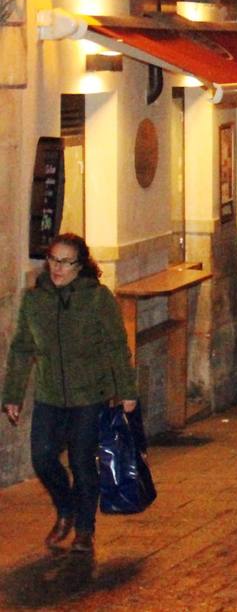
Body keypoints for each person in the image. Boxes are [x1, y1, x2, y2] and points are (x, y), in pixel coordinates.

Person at [3, 234, 138, 554]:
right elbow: (22, 348)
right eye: (53, 259)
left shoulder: (96, 298)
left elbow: (116, 346)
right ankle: (66, 509)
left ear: (80, 266)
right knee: (43, 457)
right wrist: (13, 395)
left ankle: (84, 529)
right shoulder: (35, 300)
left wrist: (127, 390)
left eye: (66, 262)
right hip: (49, 394)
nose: (57, 268)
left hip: (88, 393)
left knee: (81, 461)